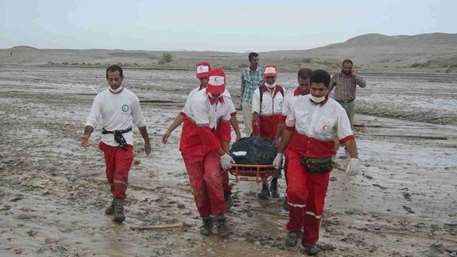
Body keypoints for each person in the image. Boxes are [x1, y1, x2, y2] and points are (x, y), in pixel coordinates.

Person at [273, 69, 360, 255]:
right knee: (296, 191)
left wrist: (354, 157)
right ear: (309, 87)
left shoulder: (337, 110)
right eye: (314, 89)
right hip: (297, 153)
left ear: (328, 88)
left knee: (315, 202)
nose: (317, 93)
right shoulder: (297, 103)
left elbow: (347, 136)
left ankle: (310, 240)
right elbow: (288, 129)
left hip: (321, 160)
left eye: (321, 90)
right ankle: (294, 229)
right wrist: (279, 153)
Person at [161, 62, 241, 206]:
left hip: (214, 137)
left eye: (206, 78)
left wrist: (237, 136)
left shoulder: (225, 95)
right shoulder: (194, 95)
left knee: (217, 172)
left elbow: (230, 118)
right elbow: (183, 114)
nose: (204, 81)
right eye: (201, 78)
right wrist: (169, 129)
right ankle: (208, 209)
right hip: (195, 137)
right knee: (200, 181)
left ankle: (224, 194)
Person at [80, 65, 151, 223]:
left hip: (125, 141)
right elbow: (92, 119)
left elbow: (140, 121)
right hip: (108, 141)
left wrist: (147, 141)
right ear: (107, 79)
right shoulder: (100, 98)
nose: (113, 82)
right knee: (111, 175)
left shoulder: (131, 97)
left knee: (120, 174)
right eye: (110, 79)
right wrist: (87, 134)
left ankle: (119, 206)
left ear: (122, 78)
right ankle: (115, 199)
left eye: (116, 79)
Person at [178, 68, 235, 238]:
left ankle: (220, 217)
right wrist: (222, 153)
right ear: (207, 87)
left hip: (211, 146)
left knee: (213, 178)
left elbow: (225, 129)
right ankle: (206, 219)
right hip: (192, 145)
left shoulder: (227, 101)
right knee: (198, 185)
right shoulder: (197, 100)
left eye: (219, 93)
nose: (216, 96)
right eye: (213, 93)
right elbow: (203, 132)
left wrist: (225, 154)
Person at [251, 64, 286, 199]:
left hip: (278, 126)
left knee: (278, 155)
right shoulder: (258, 92)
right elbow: (255, 113)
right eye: (268, 77)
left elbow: (285, 111)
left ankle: (275, 184)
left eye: (272, 77)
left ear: (275, 77)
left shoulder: (282, 90)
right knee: (262, 157)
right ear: (265, 77)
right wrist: (256, 131)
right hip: (264, 128)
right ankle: (265, 186)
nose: (270, 80)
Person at [281, 68, 313, 210]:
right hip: (292, 140)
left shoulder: (319, 97)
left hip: (312, 142)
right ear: (298, 81)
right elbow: (283, 120)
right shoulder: (289, 97)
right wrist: (278, 139)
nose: (305, 88)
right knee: (290, 168)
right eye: (302, 85)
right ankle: (289, 195)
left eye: (307, 85)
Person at [329, 59, 367, 126]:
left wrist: (355, 76)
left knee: (349, 123)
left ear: (352, 68)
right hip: (338, 103)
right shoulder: (336, 76)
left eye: (349, 68)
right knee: (337, 123)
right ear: (342, 67)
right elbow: (328, 88)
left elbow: (363, 85)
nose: (347, 69)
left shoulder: (354, 76)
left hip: (350, 103)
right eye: (345, 67)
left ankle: (348, 135)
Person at [240, 52, 263, 136]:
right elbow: (243, 86)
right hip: (247, 101)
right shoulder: (244, 72)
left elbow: (263, 87)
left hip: (258, 103)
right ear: (250, 61)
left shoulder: (262, 71)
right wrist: (241, 102)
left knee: (257, 125)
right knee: (248, 125)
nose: (256, 62)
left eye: (257, 60)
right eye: (254, 60)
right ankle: (249, 144)